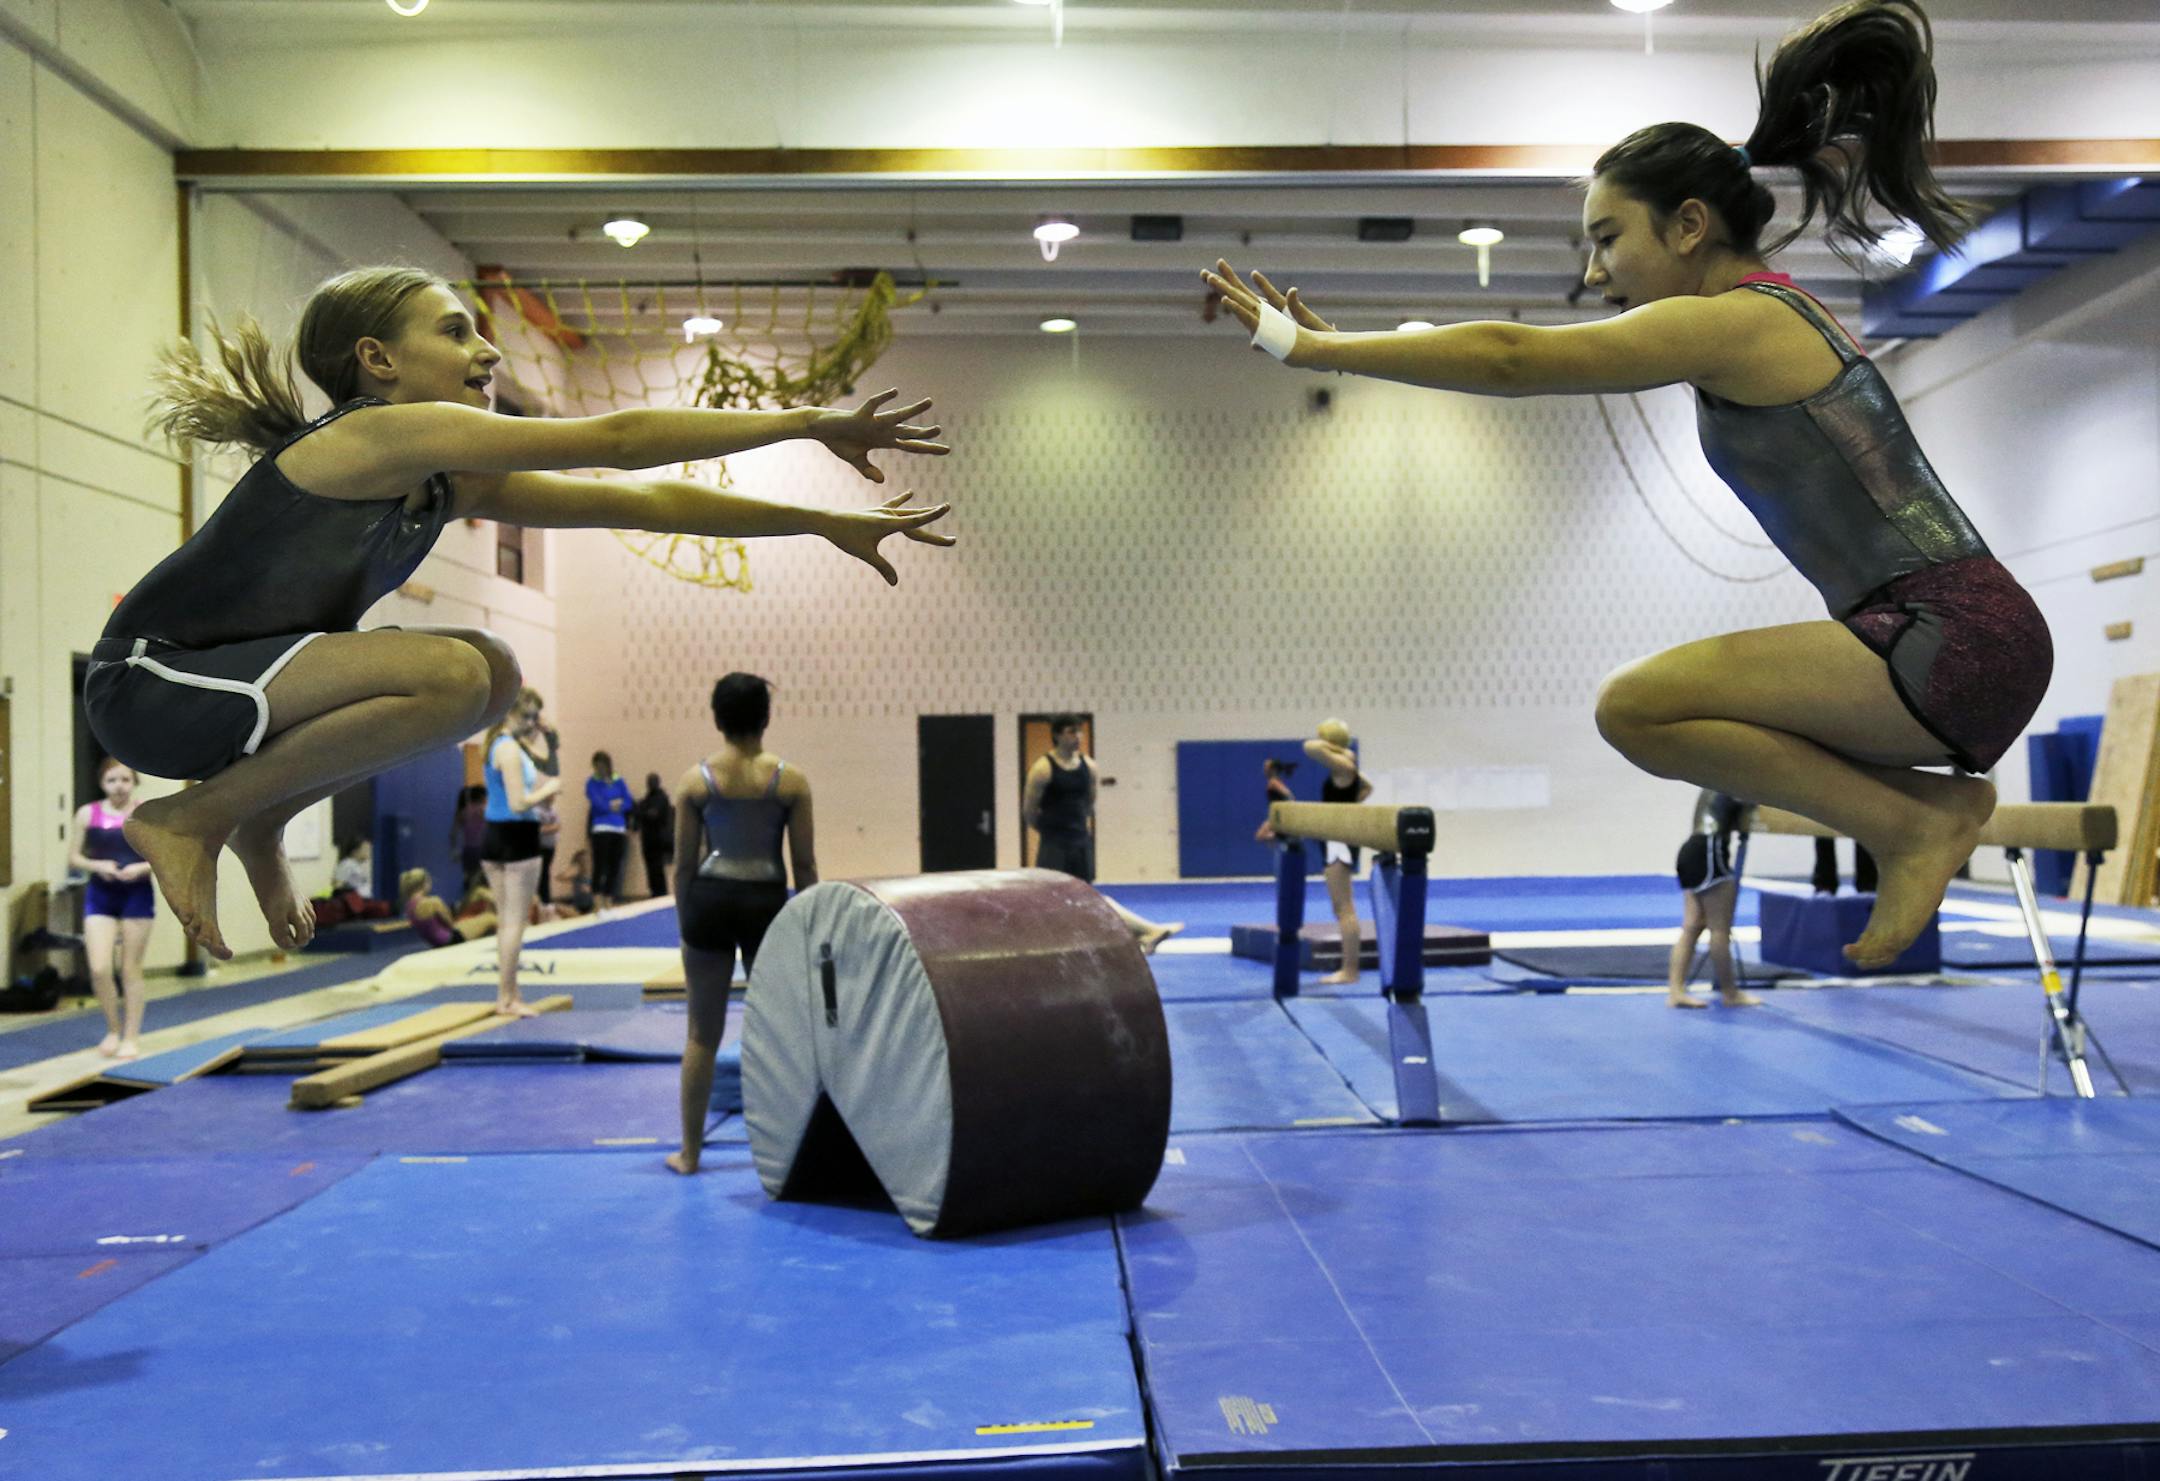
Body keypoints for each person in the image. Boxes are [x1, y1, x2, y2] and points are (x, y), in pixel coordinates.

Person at [1201, 0, 2046, 971]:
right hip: (1940, 638)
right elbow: (1511, 354)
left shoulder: (1744, 317)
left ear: (1689, 226)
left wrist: (1312, 345)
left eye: (1608, 238)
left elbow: (1516, 358)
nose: (1597, 271)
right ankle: (1921, 815)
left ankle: (1914, 824)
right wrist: (1357, 346)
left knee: (1637, 706)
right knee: (1655, 710)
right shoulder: (1751, 326)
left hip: (1950, 635)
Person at [84, 265, 953, 963]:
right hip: (150, 681)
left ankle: (257, 815)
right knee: (457, 670)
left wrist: (824, 521)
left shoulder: (439, 480)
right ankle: (188, 817)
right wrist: (804, 420)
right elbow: (612, 441)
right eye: (455, 330)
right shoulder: (371, 436)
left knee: (492, 677)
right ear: (378, 361)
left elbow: (645, 502)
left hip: (227, 695)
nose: (488, 350)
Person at [667, 673, 816, 1176]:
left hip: (709, 901)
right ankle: (790, 1152)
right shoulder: (789, 782)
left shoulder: (696, 782)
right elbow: (805, 865)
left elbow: (683, 864)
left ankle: (689, 1154)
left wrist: (685, 917)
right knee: (782, 1033)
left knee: (701, 1035)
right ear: (766, 718)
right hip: (765, 905)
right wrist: (810, 925)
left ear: (717, 717)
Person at [1023, 716, 1182, 953]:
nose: (1077, 737)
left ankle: (1142, 932)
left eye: (1079, 732)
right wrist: (1050, 832)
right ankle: (1143, 932)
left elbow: (1089, 803)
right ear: (1056, 735)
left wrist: (1078, 832)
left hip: (1080, 843)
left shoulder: (1089, 766)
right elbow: (1029, 810)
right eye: (1070, 732)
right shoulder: (1043, 768)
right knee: (1052, 900)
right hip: (1054, 844)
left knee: (1086, 899)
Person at [66, 758, 154, 1058]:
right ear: (102, 784)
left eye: (125, 780)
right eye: (112, 780)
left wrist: (141, 869)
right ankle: (113, 1029)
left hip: (137, 893)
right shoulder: (86, 814)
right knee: (100, 967)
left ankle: (131, 1035)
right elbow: (74, 858)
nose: (119, 786)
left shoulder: (145, 815)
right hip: (101, 893)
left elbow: (161, 858)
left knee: (130, 968)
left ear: (134, 783)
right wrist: (98, 865)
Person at [480, 688, 560, 1015]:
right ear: (509, 713)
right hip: (517, 838)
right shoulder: (510, 750)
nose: (530, 723)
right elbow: (517, 803)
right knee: (515, 922)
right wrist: (550, 789)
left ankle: (509, 990)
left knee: (506, 921)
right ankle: (506, 998)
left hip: (495, 837)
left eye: (533, 717)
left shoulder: (494, 745)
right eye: (525, 716)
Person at [1669, 789, 1760, 1008]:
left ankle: (1675, 992)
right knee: (1719, 929)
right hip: (1709, 850)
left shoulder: (1712, 777)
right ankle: (1730, 993)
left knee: (1692, 926)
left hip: (1690, 849)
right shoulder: (1733, 779)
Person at [1303, 720, 1372, 986]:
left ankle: (1350, 971)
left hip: (1339, 841)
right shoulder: (1349, 771)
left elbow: (1310, 747)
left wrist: (1338, 749)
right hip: (1339, 838)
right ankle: (1349, 969)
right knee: (1342, 907)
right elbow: (1368, 788)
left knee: (1344, 908)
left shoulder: (1343, 767)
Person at [584, 750, 634, 911]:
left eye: (603, 765)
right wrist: (613, 804)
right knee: (600, 865)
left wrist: (613, 804)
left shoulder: (618, 781)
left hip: (618, 828)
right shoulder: (591, 782)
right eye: (597, 766)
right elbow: (598, 805)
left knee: (614, 865)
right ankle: (597, 899)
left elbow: (628, 802)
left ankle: (608, 897)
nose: (600, 768)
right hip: (601, 828)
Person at [399, 867, 497, 948]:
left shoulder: (408, 907)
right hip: (451, 940)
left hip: (437, 943)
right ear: (425, 883)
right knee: (490, 918)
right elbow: (451, 924)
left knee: (483, 919)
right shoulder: (433, 902)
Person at [633, 771, 675, 899]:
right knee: (650, 869)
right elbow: (640, 813)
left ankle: (660, 894)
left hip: (658, 839)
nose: (650, 784)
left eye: (653, 781)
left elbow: (653, 814)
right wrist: (643, 813)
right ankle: (654, 892)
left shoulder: (662, 798)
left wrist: (643, 812)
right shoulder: (647, 799)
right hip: (647, 840)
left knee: (657, 869)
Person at [450, 784, 486, 895]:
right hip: (481, 850)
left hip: (468, 850)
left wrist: (454, 849)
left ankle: (468, 900)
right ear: (481, 797)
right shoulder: (483, 810)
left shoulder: (463, 811)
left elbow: (453, 834)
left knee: (469, 879)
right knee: (482, 880)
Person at [1254, 757, 1297, 842]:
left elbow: (1289, 795)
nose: (1263, 769)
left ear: (1273, 770)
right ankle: (1282, 836)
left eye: (1266, 766)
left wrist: (1288, 811)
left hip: (1278, 816)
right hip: (1275, 815)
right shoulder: (1274, 781)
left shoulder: (1273, 782)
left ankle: (1284, 835)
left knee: (1259, 836)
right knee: (1260, 836)